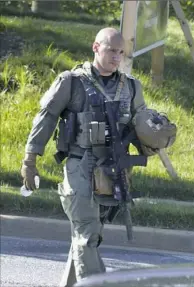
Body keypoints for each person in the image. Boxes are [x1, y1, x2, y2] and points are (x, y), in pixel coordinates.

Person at [19, 28, 170, 286]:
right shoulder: (71, 81)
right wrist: (30, 160)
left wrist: (156, 137)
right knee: (87, 233)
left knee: (87, 237)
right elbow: (46, 117)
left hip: (115, 170)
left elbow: (142, 123)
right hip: (80, 166)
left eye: (121, 52)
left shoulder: (132, 87)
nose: (116, 57)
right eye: (111, 50)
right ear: (96, 47)